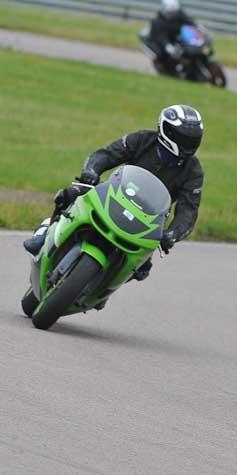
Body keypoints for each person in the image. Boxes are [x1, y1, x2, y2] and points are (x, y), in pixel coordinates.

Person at [24, 104, 206, 280]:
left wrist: (172, 234)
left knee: (142, 269)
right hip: (113, 195)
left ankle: (105, 286)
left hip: (149, 221)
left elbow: (188, 211)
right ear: (168, 131)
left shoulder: (193, 171)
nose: (189, 144)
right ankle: (44, 234)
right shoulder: (142, 139)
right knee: (71, 194)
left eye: (193, 139)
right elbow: (106, 155)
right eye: (186, 139)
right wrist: (92, 171)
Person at [149, 0, 196, 73]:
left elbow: (190, 22)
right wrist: (168, 46)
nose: (173, 14)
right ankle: (166, 69)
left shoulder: (179, 14)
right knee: (165, 53)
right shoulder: (158, 21)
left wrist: (198, 29)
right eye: (171, 12)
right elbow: (161, 37)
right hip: (160, 42)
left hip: (176, 38)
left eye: (174, 12)